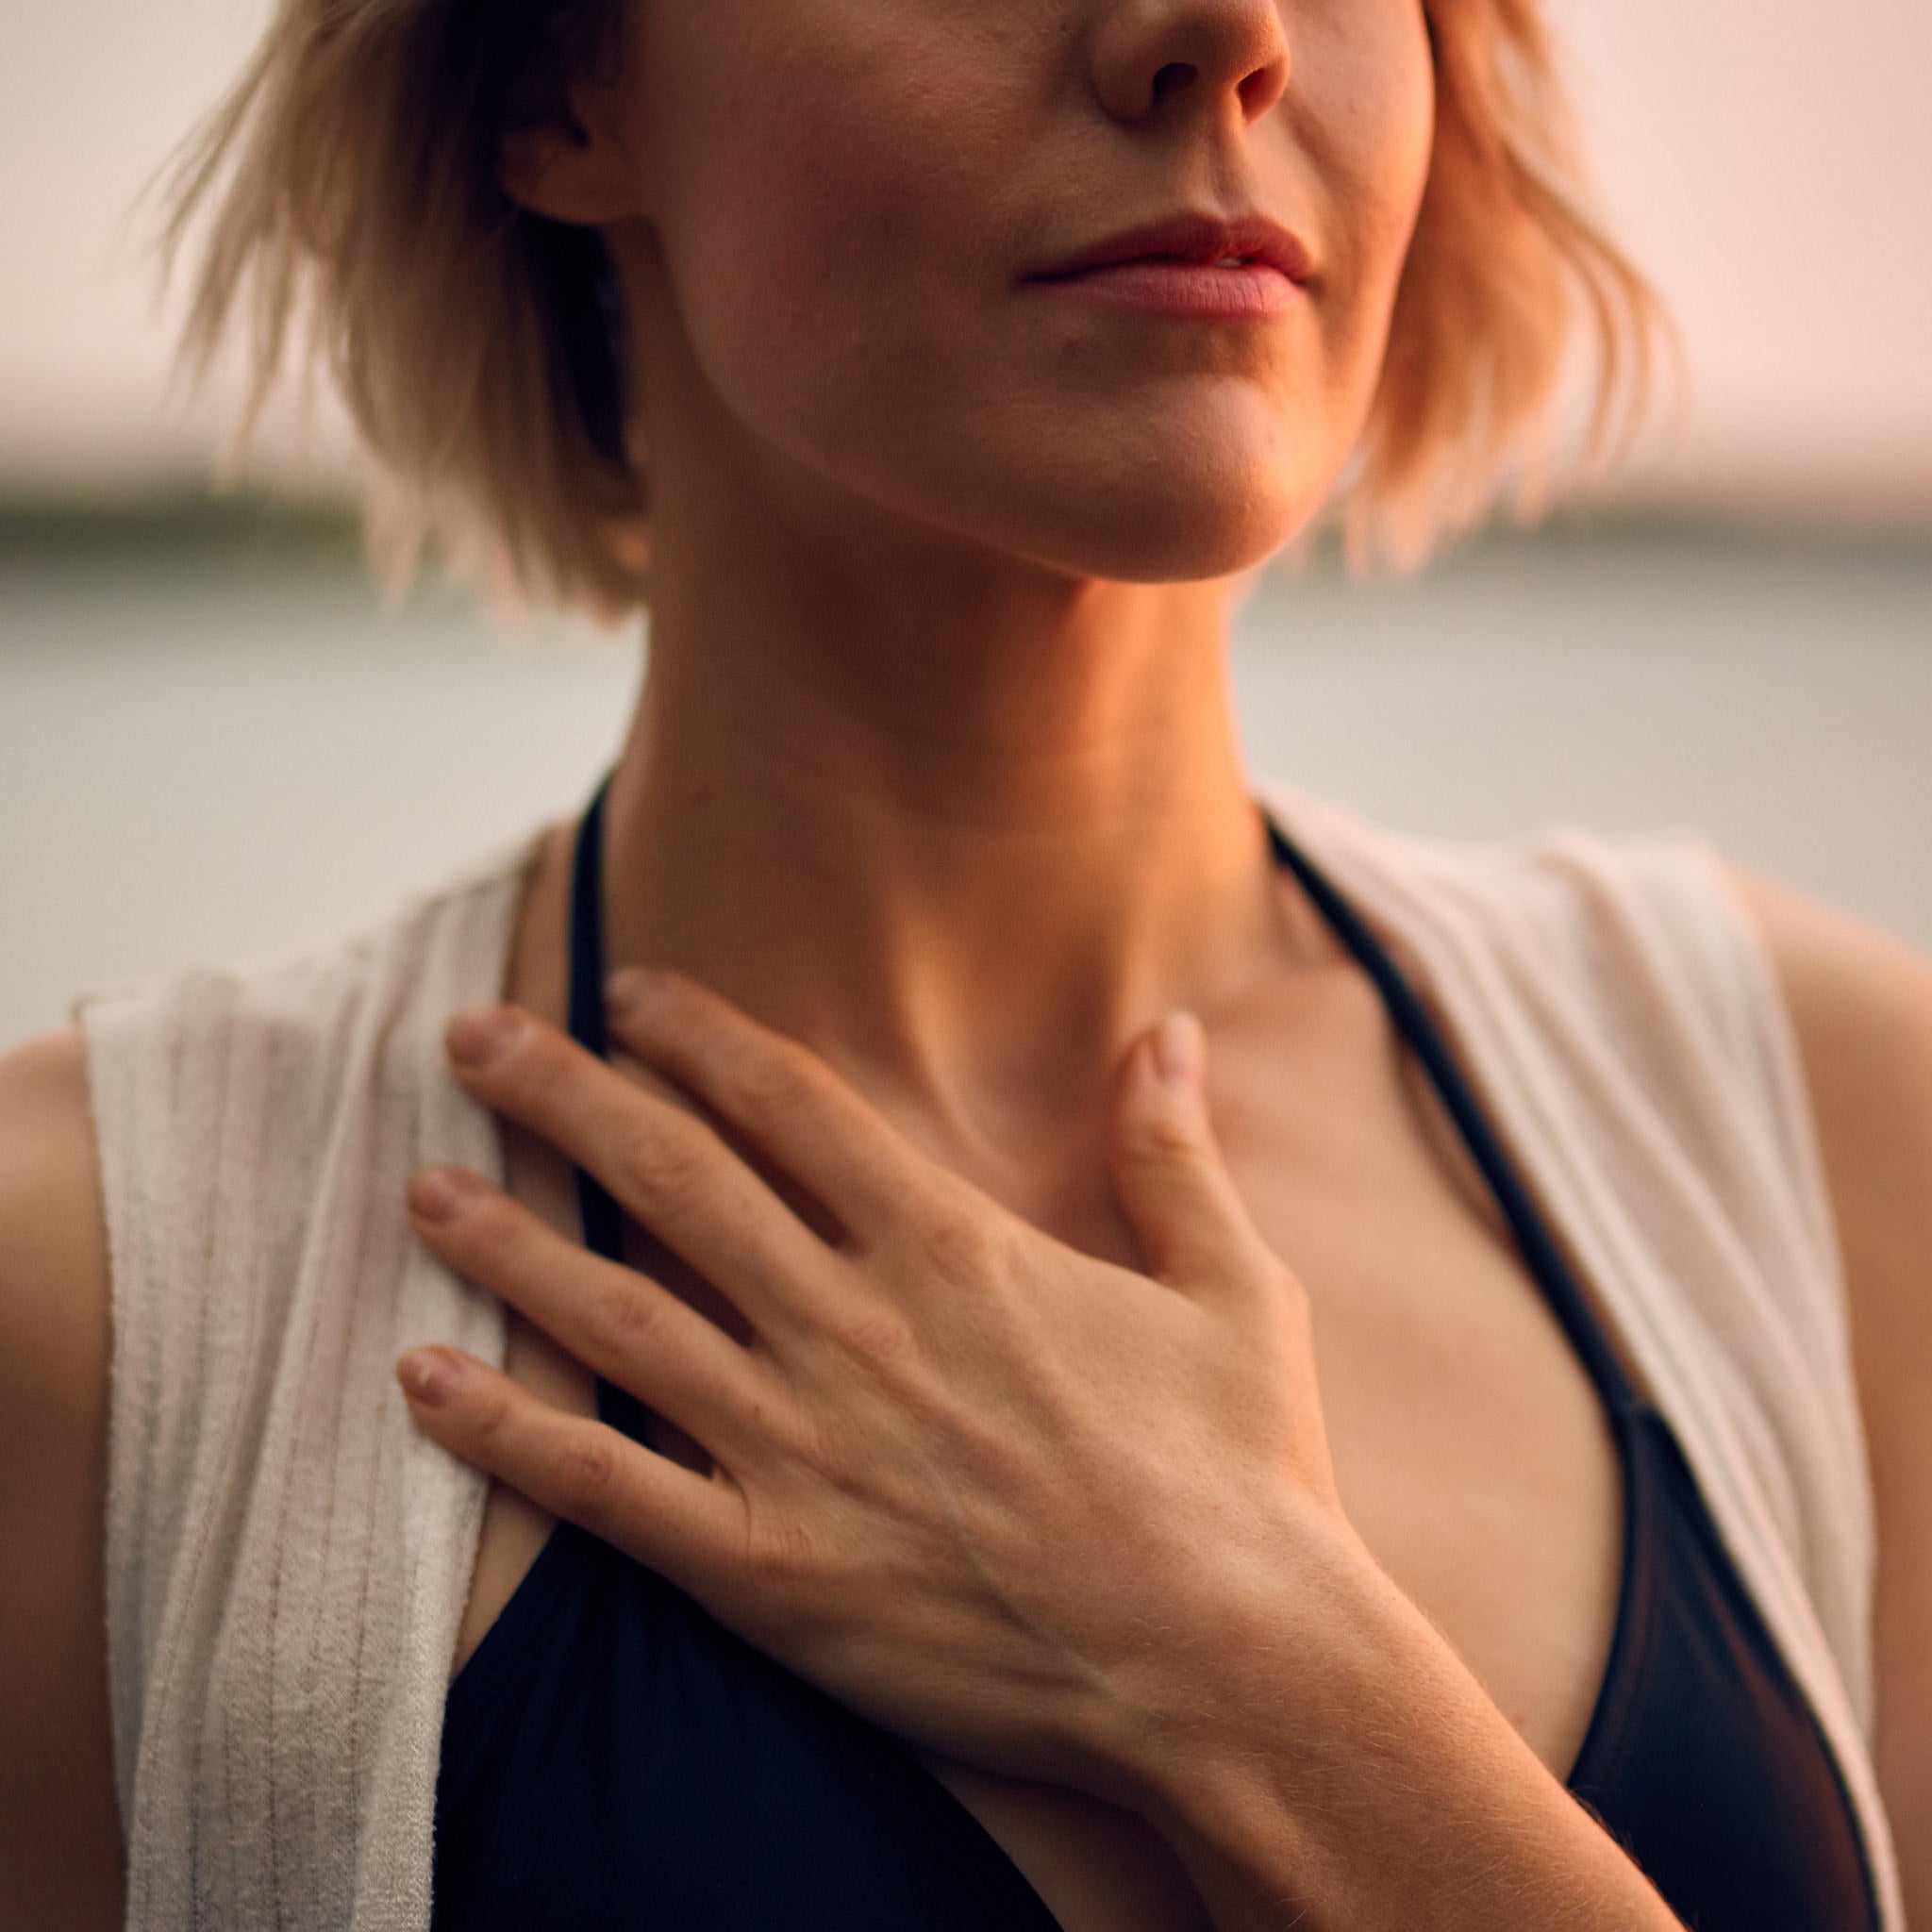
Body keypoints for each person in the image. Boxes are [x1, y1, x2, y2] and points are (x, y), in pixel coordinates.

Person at [2, 0, 1927, 1926]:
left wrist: (1255, 1672)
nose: (1224, 34)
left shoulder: (1840, 1144)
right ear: (552, 84)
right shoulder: (86, 1313)